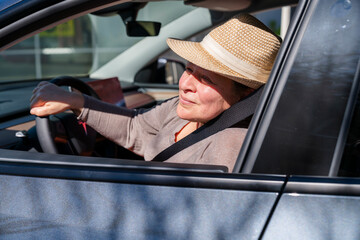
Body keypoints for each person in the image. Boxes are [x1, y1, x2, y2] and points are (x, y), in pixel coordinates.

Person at [30, 14, 281, 172]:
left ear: (246, 93)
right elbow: (136, 128)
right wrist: (75, 101)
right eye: (189, 69)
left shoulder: (232, 143)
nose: (185, 84)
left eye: (205, 78)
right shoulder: (182, 109)